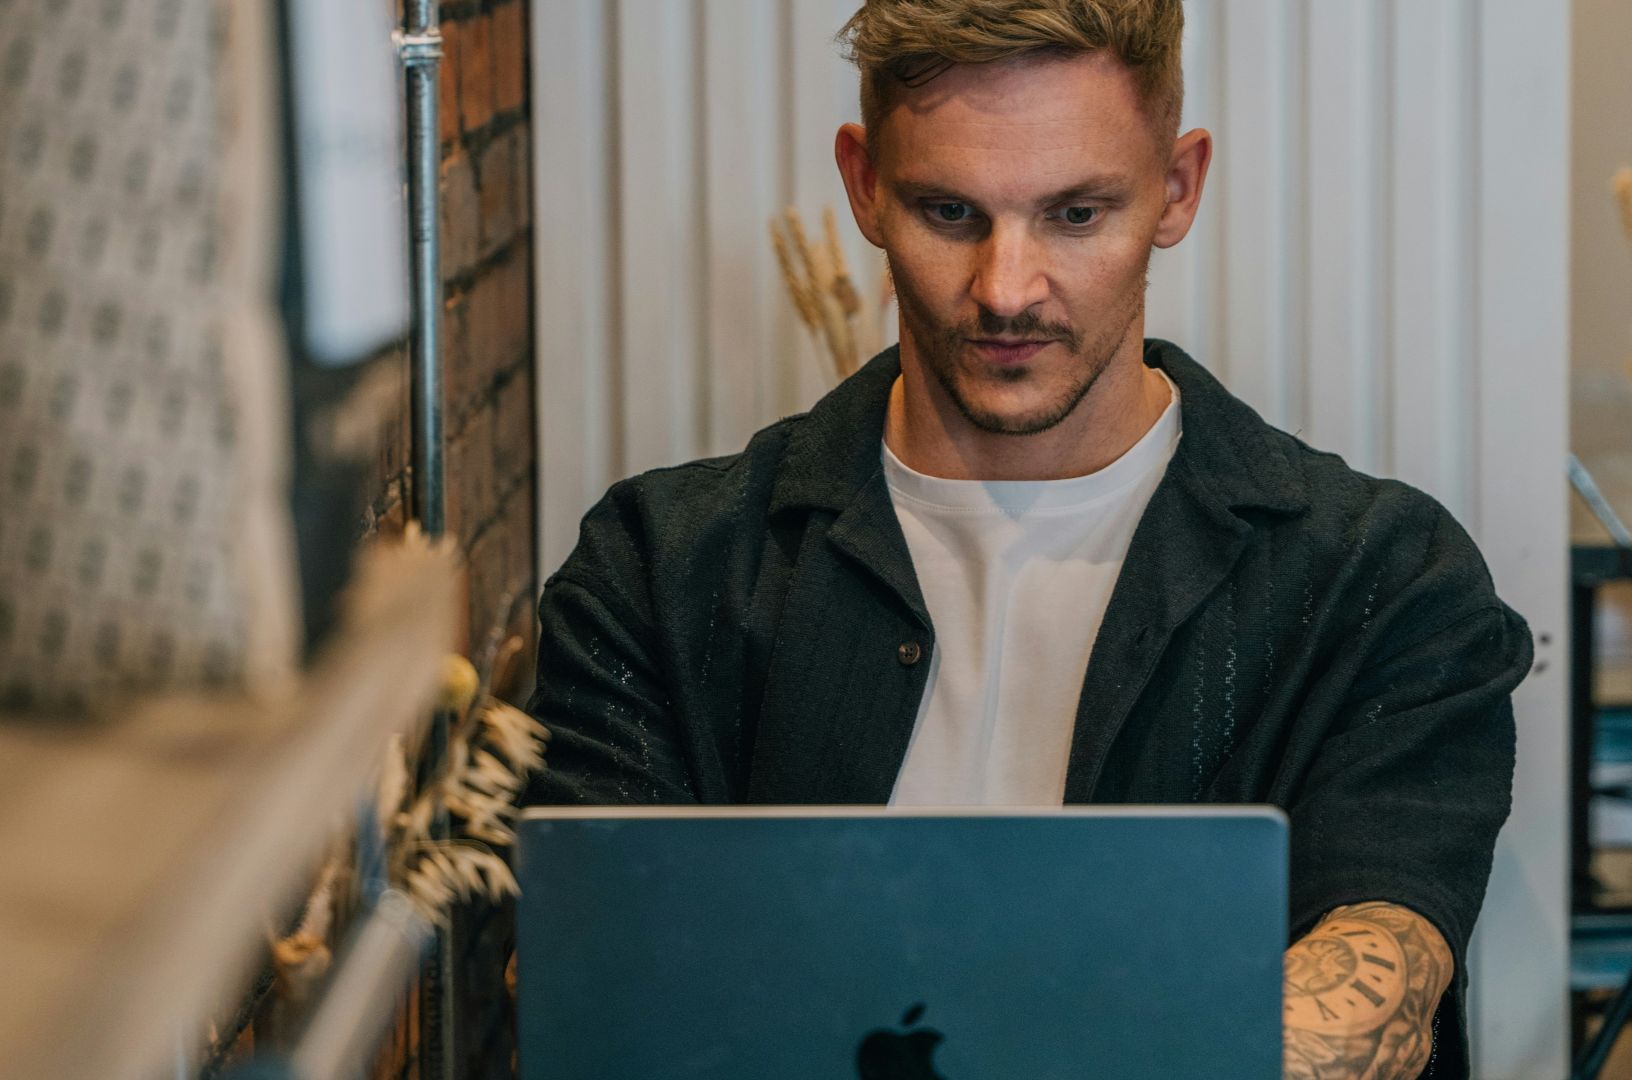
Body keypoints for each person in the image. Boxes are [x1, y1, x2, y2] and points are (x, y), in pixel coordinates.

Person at [524, 2, 1532, 1076]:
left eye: (1076, 214)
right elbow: (593, 984)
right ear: (864, 184)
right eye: (950, 211)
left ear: (1176, 190)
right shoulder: (662, 570)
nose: (1007, 290)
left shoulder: (1381, 582)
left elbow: (1378, 984)